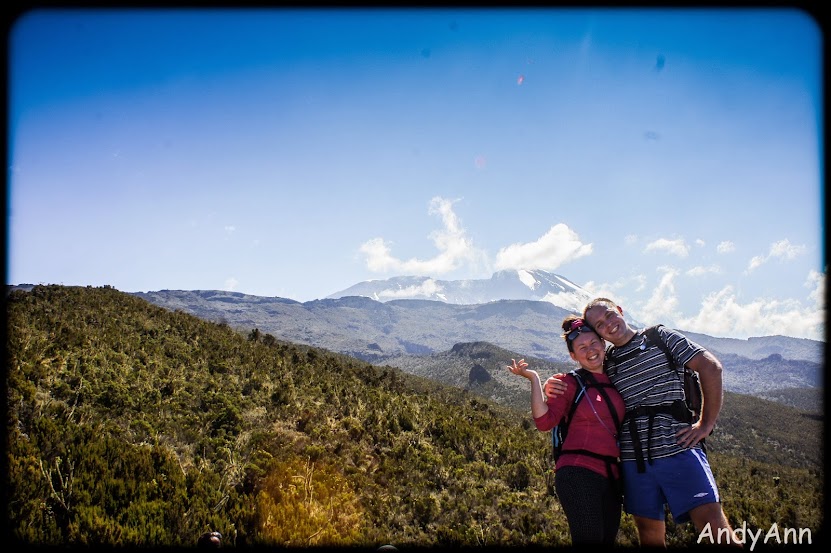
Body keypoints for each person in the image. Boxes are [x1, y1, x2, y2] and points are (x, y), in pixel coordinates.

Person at [545, 298, 741, 548]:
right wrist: (550, 385)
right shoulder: (608, 362)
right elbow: (582, 378)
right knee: (649, 536)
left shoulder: (659, 337)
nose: (608, 324)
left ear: (620, 310)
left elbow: (711, 367)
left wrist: (705, 424)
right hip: (634, 461)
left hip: (678, 448)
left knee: (715, 530)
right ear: (599, 335)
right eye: (599, 324)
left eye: (609, 315)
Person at [507, 315, 625, 545]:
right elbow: (544, 422)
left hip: (612, 476)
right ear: (573, 356)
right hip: (578, 471)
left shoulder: (619, 379)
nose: (590, 350)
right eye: (582, 347)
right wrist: (534, 379)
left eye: (593, 343)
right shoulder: (569, 383)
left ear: (603, 344)